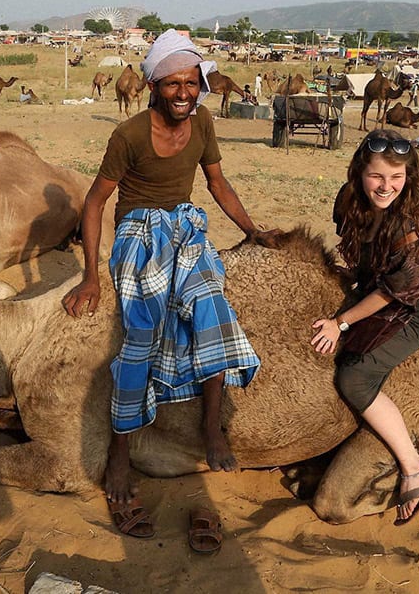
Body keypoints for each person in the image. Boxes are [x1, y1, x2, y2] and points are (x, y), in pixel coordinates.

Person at [62, 29, 280, 534]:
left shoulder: (203, 119)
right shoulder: (130, 136)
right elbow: (95, 202)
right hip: (138, 233)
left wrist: (252, 231)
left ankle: (210, 428)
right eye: (172, 84)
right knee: (141, 336)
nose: (183, 93)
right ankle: (120, 453)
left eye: (191, 82)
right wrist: (91, 275)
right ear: (153, 85)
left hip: (183, 225)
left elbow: (217, 183)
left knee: (213, 310)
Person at [310, 128, 419, 526]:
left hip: (410, 308)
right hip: (373, 285)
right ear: (360, 173)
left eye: (396, 178)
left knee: (355, 378)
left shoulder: (413, 230)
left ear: (409, 178)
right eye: (377, 176)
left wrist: (340, 322)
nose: (386, 187)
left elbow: (392, 292)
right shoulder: (349, 200)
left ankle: (415, 467)